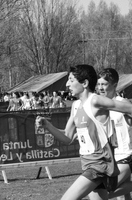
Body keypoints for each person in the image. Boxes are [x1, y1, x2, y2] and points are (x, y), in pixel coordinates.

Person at [35, 64, 132, 200]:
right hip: (87, 163)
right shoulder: (75, 106)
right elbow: (67, 137)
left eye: (71, 80)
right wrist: (47, 125)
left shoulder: (95, 100)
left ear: (84, 83)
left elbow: (128, 108)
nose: (67, 84)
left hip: (99, 165)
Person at [95, 68, 132, 200]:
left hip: (127, 155)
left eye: (104, 84)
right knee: (123, 196)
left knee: (106, 191)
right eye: (98, 84)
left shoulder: (123, 104)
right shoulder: (99, 106)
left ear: (115, 85)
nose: (100, 88)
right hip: (112, 158)